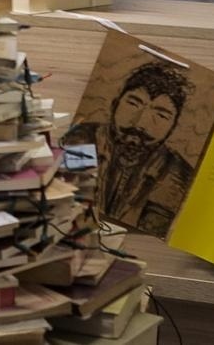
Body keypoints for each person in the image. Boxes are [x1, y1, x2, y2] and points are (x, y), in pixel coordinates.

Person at [65, 62, 196, 236]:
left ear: (173, 127)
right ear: (114, 104)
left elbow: (153, 229)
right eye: (134, 104)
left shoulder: (178, 174)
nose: (141, 123)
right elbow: (68, 201)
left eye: (161, 115)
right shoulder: (81, 139)